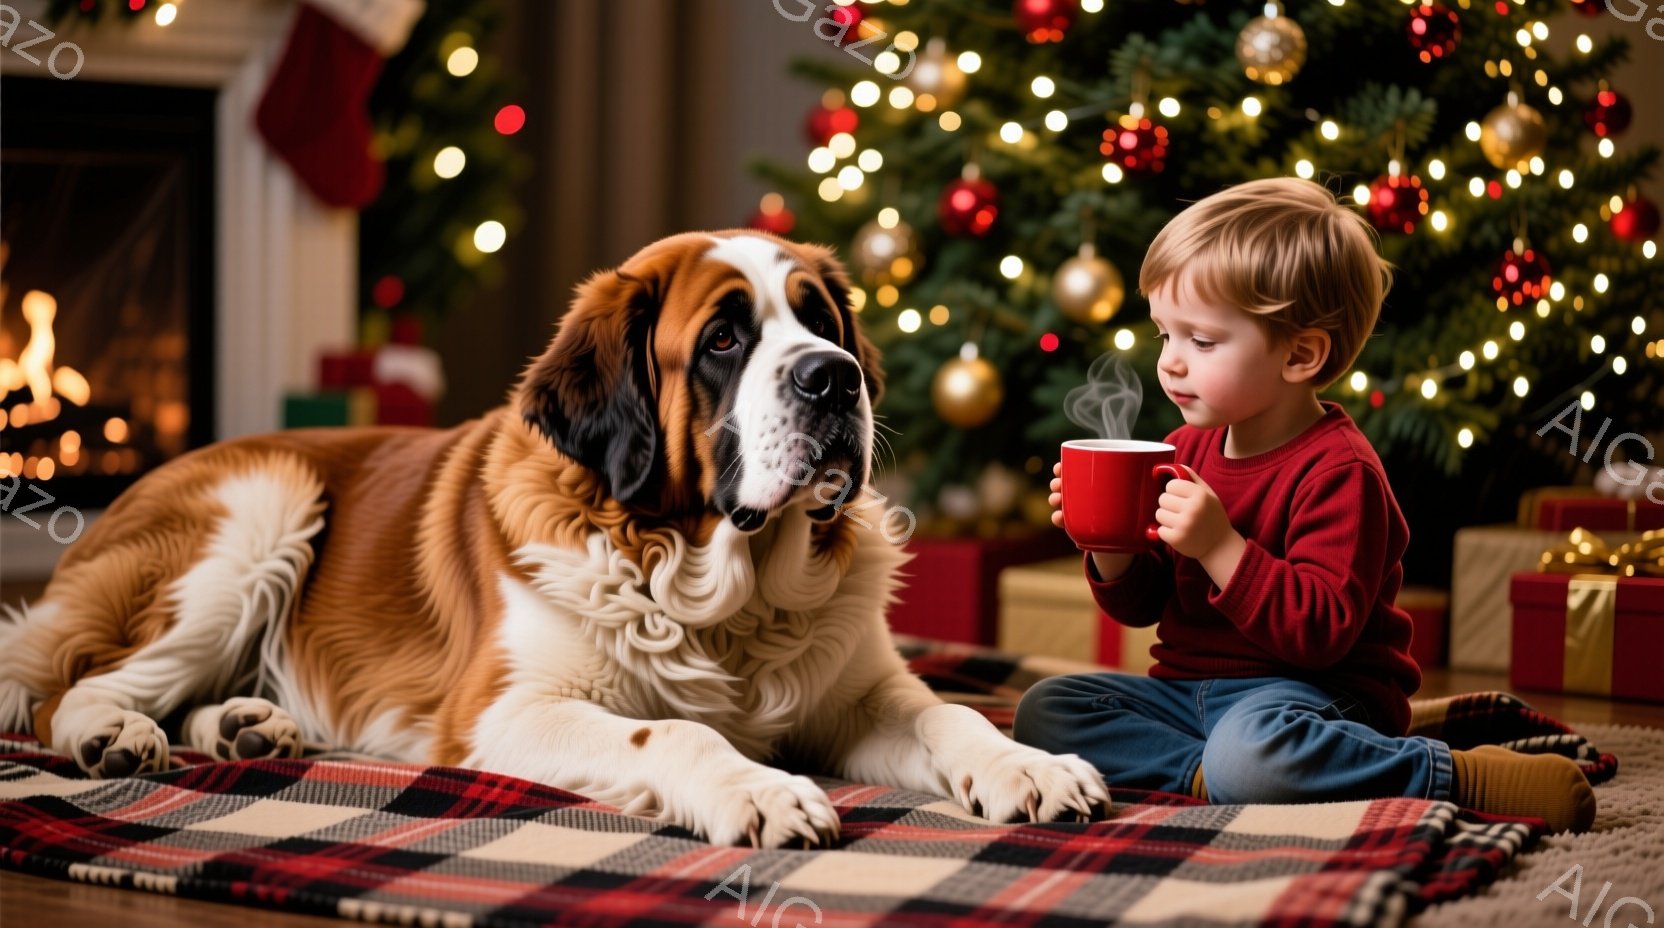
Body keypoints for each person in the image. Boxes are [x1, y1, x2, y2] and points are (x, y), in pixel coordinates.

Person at [1014, 177, 1595, 833]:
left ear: (1300, 354)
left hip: (1314, 697)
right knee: (1047, 710)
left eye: (1200, 341)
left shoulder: (1340, 470)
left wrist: (1219, 547)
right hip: (1189, 697)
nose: (1171, 364)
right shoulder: (1183, 447)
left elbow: (1318, 635)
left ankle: (1447, 773)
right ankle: (1207, 773)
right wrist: (1111, 549)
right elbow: (1147, 606)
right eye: (1163, 337)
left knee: (1256, 753)